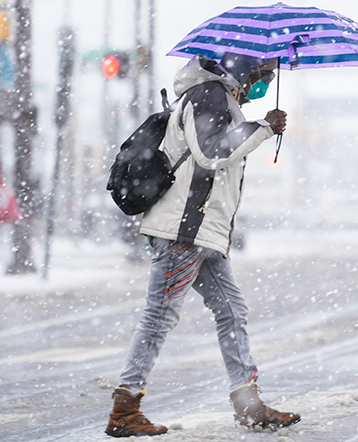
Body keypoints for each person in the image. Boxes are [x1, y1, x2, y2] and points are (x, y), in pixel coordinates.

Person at [105, 53, 300, 438]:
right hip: (184, 231)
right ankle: (125, 409)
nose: (266, 81)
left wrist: (254, 123)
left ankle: (249, 406)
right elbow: (211, 153)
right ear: (244, 66)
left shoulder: (220, 98)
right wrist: (263, 127)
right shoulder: (207, 94)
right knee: (159, 317)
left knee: (232, 310)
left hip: (202, 231)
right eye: (264, 73)